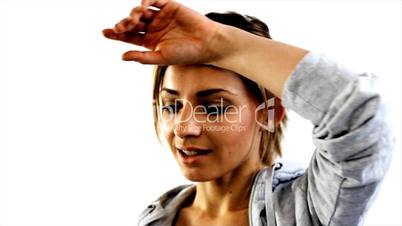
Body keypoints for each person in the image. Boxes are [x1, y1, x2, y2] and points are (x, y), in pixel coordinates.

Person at [102, 0, 393, 225]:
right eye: (172, 106)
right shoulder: (157, 218)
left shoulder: (309, 210)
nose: (183, 128)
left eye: (214, 108)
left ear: (269, 114)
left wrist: (218, 43)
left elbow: (359, 110)